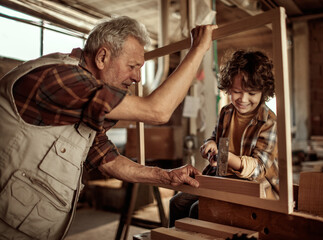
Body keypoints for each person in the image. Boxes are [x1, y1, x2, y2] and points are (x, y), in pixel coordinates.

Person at [0, 16, 217, 239]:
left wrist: (166, 177)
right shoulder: (62, 78)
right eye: (132, 66)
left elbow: (108, 161)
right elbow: (157, 111)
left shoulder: (80, 103)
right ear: (102, 57)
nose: (138, 78)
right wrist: (198, 49)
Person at [169, 49, 279, 227]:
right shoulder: (226, 112)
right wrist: (210, 145)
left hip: (254, 187)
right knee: (177, 202)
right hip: (221, 179)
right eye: (237, 91)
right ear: (228, 87)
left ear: (263, 91)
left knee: (197, 210)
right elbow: (215, 138)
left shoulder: (269, 122)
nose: (243, 99)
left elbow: (259, 168)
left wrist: (228, 158)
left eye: (251, 93)